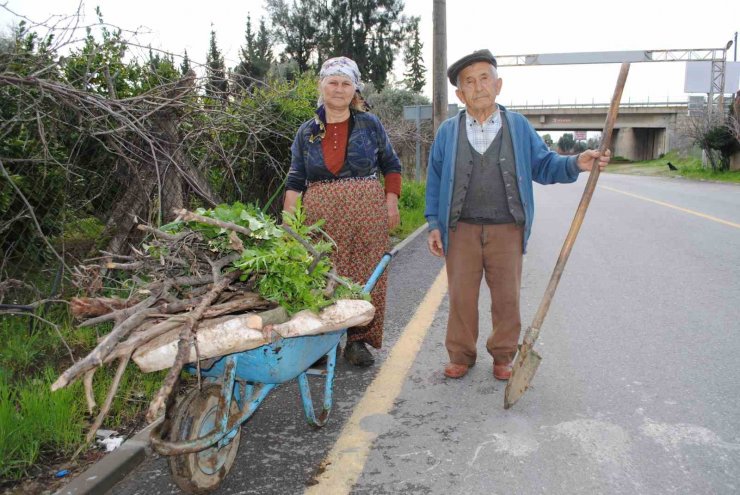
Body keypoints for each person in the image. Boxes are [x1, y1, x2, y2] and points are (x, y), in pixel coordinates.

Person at [425, 49, 611, 380]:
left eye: (484, 78)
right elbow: (435, 180)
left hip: (507, 228)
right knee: (461, 298)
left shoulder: (519, 126)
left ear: (498, 85)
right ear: (459, 93)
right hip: (462, 229)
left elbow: (544, 164)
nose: (478, 86)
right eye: (469, 81)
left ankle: (503, 355)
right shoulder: (447, 132)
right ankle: (461, 354)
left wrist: (575, 163)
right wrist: (433, 224)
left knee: (506, 297)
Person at [283, 56, 402, 367]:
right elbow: (296, 178)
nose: (339, 89)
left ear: (355, 89)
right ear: (322, 86)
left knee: (366, 273)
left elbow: (391, 165)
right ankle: (321, 343)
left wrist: (391, 203)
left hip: (367, 209)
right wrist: (288, 221)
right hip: (320, 212)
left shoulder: (370, 124)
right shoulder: (306, 131)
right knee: (322, 272)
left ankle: (357, 341)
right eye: (332, 82)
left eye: (345, 83)